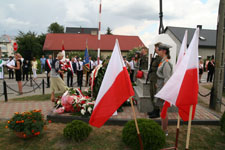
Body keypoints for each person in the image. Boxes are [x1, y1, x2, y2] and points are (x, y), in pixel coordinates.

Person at [155, 43, 173, 136]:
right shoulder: (163, 61)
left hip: (163, 89)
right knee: (162, 110)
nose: (158, 51)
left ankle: (165, 130)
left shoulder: (166, 63)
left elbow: (167, 79)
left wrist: (164, 93)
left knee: (164, 111)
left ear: (164, 51)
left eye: (159, 49)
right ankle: (163, 128)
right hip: (160, 87)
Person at [148, 42, 162, 118]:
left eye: (156, 47)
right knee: (152, 95)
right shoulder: (156, 57)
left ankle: (157, 112)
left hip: (156, 79)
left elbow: (160, 69)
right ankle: (154, 110)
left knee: (155, 95)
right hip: (152, 78)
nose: (155, 49)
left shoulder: (160, 58)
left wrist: (152, 68)